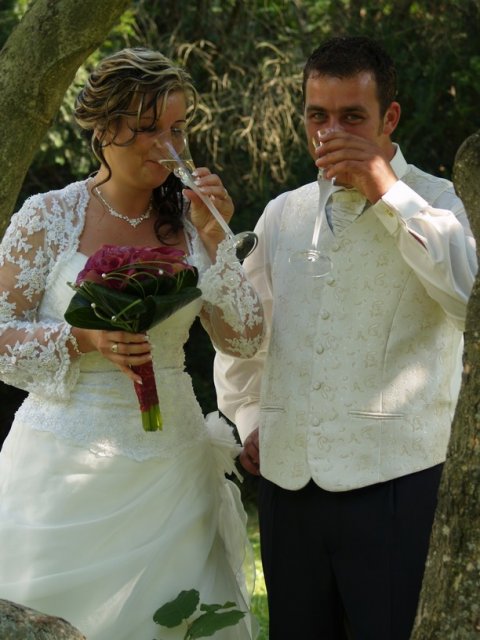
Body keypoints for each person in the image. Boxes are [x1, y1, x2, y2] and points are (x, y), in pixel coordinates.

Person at [214, 36, 477, 640]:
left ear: (390, 117)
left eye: (352, 117)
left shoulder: (444, 201)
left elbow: (470, 300)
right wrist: (249, 415)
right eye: (318, 116)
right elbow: (248, 336)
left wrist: (388, 191)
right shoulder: (282, 212)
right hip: (287, 486)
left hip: (398, 483)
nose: (330, 133)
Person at [0, 47, 264, 640]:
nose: (167, 147)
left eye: (177, 129)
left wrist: (216, 241)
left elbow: (245, 339)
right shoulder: (48, 217)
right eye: (147, 129)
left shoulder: (192, 221)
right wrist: (83, 339)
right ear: (103, 129)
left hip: (174, 466)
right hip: (61, 466)